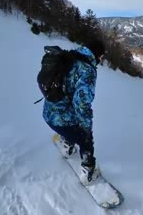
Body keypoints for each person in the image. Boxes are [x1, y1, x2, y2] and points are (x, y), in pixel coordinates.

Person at [42, 39, 105, 185]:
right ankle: (88, 172)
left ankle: (67, 146)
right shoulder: (87, 70)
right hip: (62, 121)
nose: (101, 60)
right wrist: (87, 129)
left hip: (48, 115)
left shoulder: (69, 57)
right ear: (97, 54)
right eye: (102, 57)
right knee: (85, 136)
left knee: (72, 123)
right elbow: (82, 104)